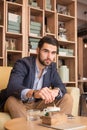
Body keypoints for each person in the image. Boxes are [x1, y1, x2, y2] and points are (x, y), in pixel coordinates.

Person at [4, 35, 73, 118]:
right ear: (38, 50)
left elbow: (61, 86)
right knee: (12, 100)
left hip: (39, 104)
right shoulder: (23, 63)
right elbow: (12, 87)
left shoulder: (52, 67)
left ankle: (56, 125)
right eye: (45, 51)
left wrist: (56, 91)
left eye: (53, 53)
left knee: (67, 98)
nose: (49, 57)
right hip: (20, 103)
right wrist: (34, 93)